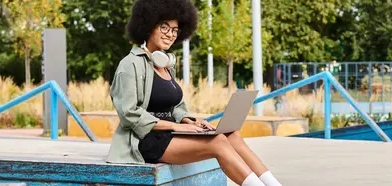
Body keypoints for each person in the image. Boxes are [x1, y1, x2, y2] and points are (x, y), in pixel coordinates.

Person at [106, 0, 282, 185]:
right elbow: (128, 114)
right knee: (218, 142)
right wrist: (176, 126)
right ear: (148, 26)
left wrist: (190, 121)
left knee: (232, 136)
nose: (170, 34)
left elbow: (174, 107)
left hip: (170, 135)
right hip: (144, 141)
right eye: (164, 27)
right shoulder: (130, 64)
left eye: (174, 30)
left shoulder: (166, 65)